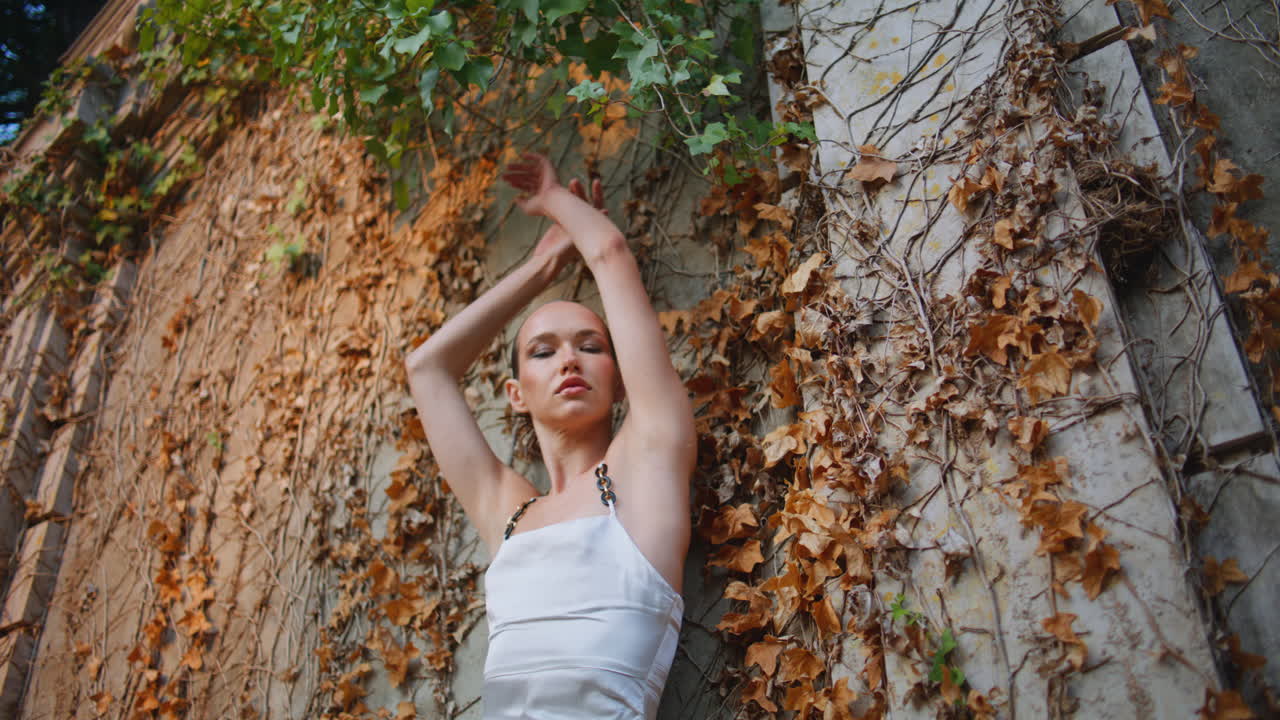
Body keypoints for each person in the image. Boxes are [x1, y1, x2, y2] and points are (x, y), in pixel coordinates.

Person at [404, 152, 696, 719]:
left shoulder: (646, 469)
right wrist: (542, 270)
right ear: (516, 394)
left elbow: (609, 254)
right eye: (543, 351)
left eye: (590, 346)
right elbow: (427, 369)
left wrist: (553, 197)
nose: (569, 360)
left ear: (619, 380)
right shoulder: (507, 515)